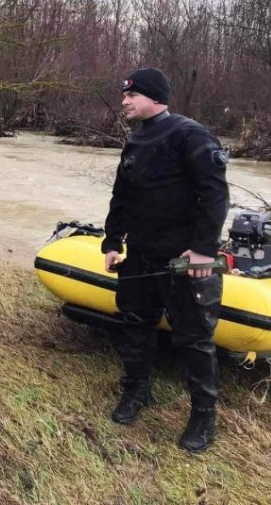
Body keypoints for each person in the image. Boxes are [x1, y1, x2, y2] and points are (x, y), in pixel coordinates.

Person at [102, 67, 229, 453]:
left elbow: (215, 193)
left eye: (132, 95)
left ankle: (203, 414)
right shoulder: (136, 139)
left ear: (155, 97)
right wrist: (112, 240)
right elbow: (121, 194)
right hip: (140, 254)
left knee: (193, 337)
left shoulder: (189, 134)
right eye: (125, 95)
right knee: (136, 324)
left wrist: (205, 249)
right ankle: (136, 392)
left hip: (182, 257)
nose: (124, 101)